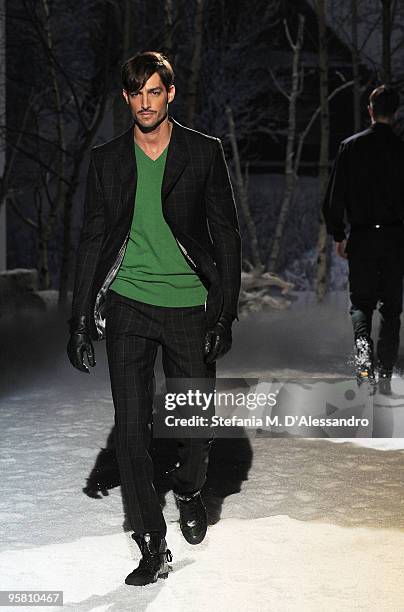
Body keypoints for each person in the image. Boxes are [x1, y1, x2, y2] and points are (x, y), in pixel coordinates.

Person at [66, 51, 241, 585]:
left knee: (194, 424)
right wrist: (79, 317)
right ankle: (151, 543)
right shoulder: (108, 159)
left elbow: (226, 235)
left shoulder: (203, 153)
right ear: (127, 99)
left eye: (154, 91)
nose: (145, 102)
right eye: (135, 93)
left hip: (189, 302)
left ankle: (189, 487)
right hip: (128, 303)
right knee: (131, 431)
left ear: (169, 93)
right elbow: (95, 236)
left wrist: (223, 313)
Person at [323, 84, 404, 394]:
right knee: (391, 308)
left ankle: (363, 355)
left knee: (361, 303)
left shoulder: (350, 147)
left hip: (363, 236)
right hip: (396, 238)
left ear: (370, 110)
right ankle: (384, 373)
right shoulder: (401, 151)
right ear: (395, 113)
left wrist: (338, 234)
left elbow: (334, 199)